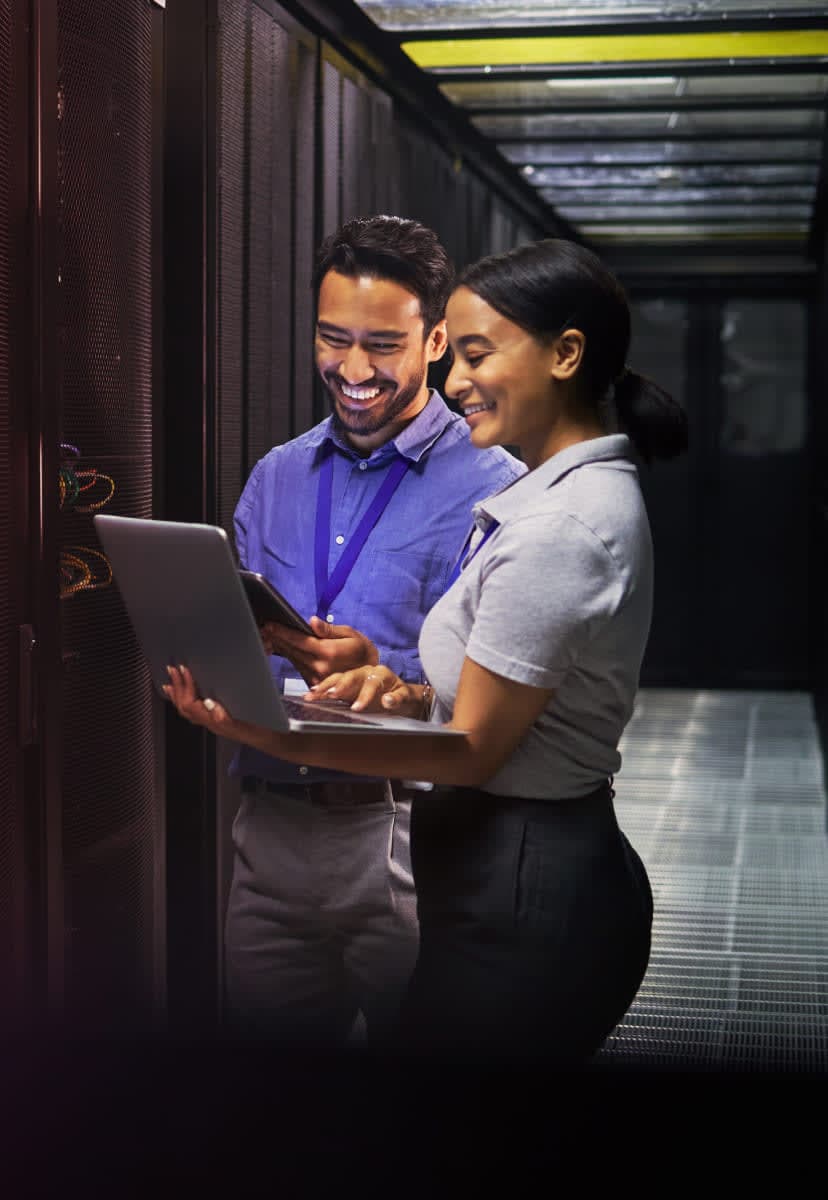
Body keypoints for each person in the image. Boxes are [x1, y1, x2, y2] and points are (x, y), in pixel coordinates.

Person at [166, 236, 688, 1066]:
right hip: (323, 836)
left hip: (455, 843)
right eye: (334, 338)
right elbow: (473, 689)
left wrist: (263, 729)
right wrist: (387, 682)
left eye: (474, 354)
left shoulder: (536, 510)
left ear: (564, 354)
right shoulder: (288, 474)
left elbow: (476, 748)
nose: (456, 384)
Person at [220, 215, 526, 1049]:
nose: (352, 371)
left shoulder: (498, 490)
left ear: (435, 343)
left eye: (383, 346)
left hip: (406, 837)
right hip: (268, 829)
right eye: (333, 339)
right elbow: (240, 643)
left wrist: (384, 672)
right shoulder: (276, 476)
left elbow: (495, 703)